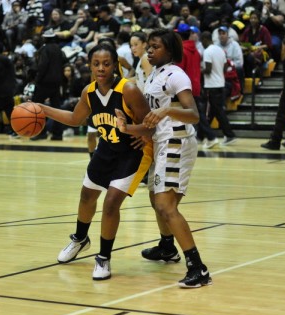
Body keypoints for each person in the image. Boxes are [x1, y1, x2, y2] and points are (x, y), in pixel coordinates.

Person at [50, 43, 153, 281]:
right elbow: (75, 119)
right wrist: (42, 109)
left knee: (111, 203)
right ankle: (79, 239)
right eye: (96, 63)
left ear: (115, 64)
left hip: (131, 153)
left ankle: (104, 257)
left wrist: (140, 132)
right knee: (87, 196)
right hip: (105, 149)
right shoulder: (89, 91)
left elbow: (151, 123)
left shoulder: (128, 89)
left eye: (106, 63)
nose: (101, 68)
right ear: (89, 66)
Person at [124, 28, 212, 288]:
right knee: (154, 198)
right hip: (162, 142)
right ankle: (166, 246)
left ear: (170, 51)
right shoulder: (153, 76)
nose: (149, 51)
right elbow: (152, 119)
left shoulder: (176, 75)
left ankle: (198, 267)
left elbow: (193, 113)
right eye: (148, 47)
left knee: (166, 205)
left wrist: (165, 111)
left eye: (155, 47)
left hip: (177, 142)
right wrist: (129, 128)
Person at [200, 31, 238, 146]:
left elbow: (208, 69)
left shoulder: (207, 51)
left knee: (218, 112)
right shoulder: (220, 50)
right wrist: (219, 75)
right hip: (221, 84)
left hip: (212, 86)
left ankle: (229, 135)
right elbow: (226, 67)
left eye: (202, 42)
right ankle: (202, 135)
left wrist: (199, 71)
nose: (202, 44)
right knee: (213, 112)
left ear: (205, 40)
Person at [30, 29, 67, 141]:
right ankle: (57, 134)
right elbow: (65, 61)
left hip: (44, 82)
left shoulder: (44, 49)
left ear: (45, 38)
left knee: (37, 107)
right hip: (56, 82)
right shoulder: (59, 49)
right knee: (56, 109)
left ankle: (41, 132)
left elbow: (43, 65)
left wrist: (37, 79)